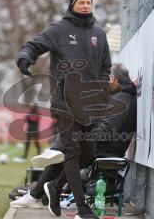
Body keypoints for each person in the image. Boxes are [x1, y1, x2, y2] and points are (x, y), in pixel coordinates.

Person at [16, 0, 111, 219]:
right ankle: (82, 208)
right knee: (72, 151)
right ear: (72, 5)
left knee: (88, 154)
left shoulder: (99, 33)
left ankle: (54, 186)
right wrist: (25, 58)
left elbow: (106, 67)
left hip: (89, 105)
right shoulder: (59, 29)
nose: (86, 6)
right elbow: (34, 44)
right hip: (65, 103)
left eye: (89, 2)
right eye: (81, 2)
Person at [11, 63, 137, 218]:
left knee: (69, 146)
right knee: (68, 145)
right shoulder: (122, 96)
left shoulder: (121, 99)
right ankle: (43, 190)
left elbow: (106, 130)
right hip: (106, 146)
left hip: (108, 149)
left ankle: (42, 190)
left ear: (112, 79)